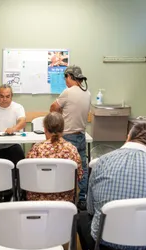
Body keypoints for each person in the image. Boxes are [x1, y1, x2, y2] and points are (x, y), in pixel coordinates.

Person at [50, 65, 91, 210]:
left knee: (64, 169)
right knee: (83, 169)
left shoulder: (68, 92)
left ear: (70, 77)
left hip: (67, 137)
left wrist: (60, 112)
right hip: (81, 135)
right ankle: (82, 199)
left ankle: (65, 198)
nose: (65, 80)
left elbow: (53, 108)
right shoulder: (87, 93)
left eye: (65, 77)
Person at [26, 112, 83, 202]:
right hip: (65, 200)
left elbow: (27, 175)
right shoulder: (72, 150)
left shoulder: (36, 149)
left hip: (38, 199)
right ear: (63, 129)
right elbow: (79, 176)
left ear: (44, 129)